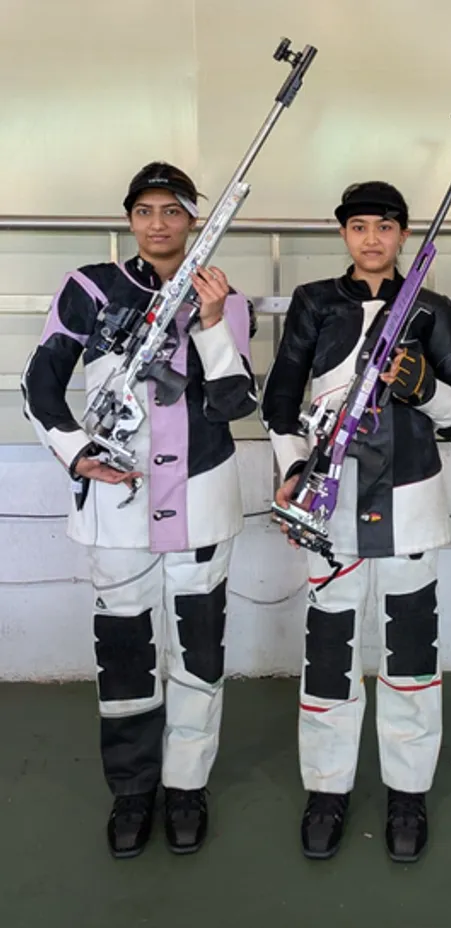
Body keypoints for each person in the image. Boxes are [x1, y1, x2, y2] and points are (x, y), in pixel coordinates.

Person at [22, 162, 258, 858]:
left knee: (199, 653)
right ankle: (132, 790)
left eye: (172, 211)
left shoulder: (224, 297)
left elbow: (235, 402)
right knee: (125, 654)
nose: (158, 224)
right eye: (146, 211)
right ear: (130, 219)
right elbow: (40, 381)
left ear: (193, 221)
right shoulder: (91, 288)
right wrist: (75, 453)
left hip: (202, 502)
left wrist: (211, 323)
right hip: (116, 507)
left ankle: (187, 786)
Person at [263, 181, 451, 862]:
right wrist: (295, 469)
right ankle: (327, 789)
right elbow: (280, 398)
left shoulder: (432, 309)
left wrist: (422, 387)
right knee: (329, 654)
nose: (372, 239)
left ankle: (408, 791)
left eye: (385, 226)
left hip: (412, 503)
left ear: (404, 234)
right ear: (344, 234)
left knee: (411, 656)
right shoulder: (313, 303)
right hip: (330, 503)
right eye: (359, 226)